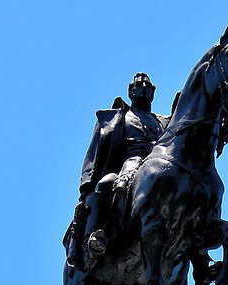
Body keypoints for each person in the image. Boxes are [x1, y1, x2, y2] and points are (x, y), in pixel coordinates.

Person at [64, 73, 169, 269]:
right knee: (108, 183)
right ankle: (99, 233)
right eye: (139, 86)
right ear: (131, 91)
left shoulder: (164, 122)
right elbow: (95, 151)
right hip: (131, 162)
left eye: (148, 86)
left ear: (153, 92)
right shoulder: (118, 118)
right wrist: (86, 184)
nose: (144, 89)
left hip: (162, 165)